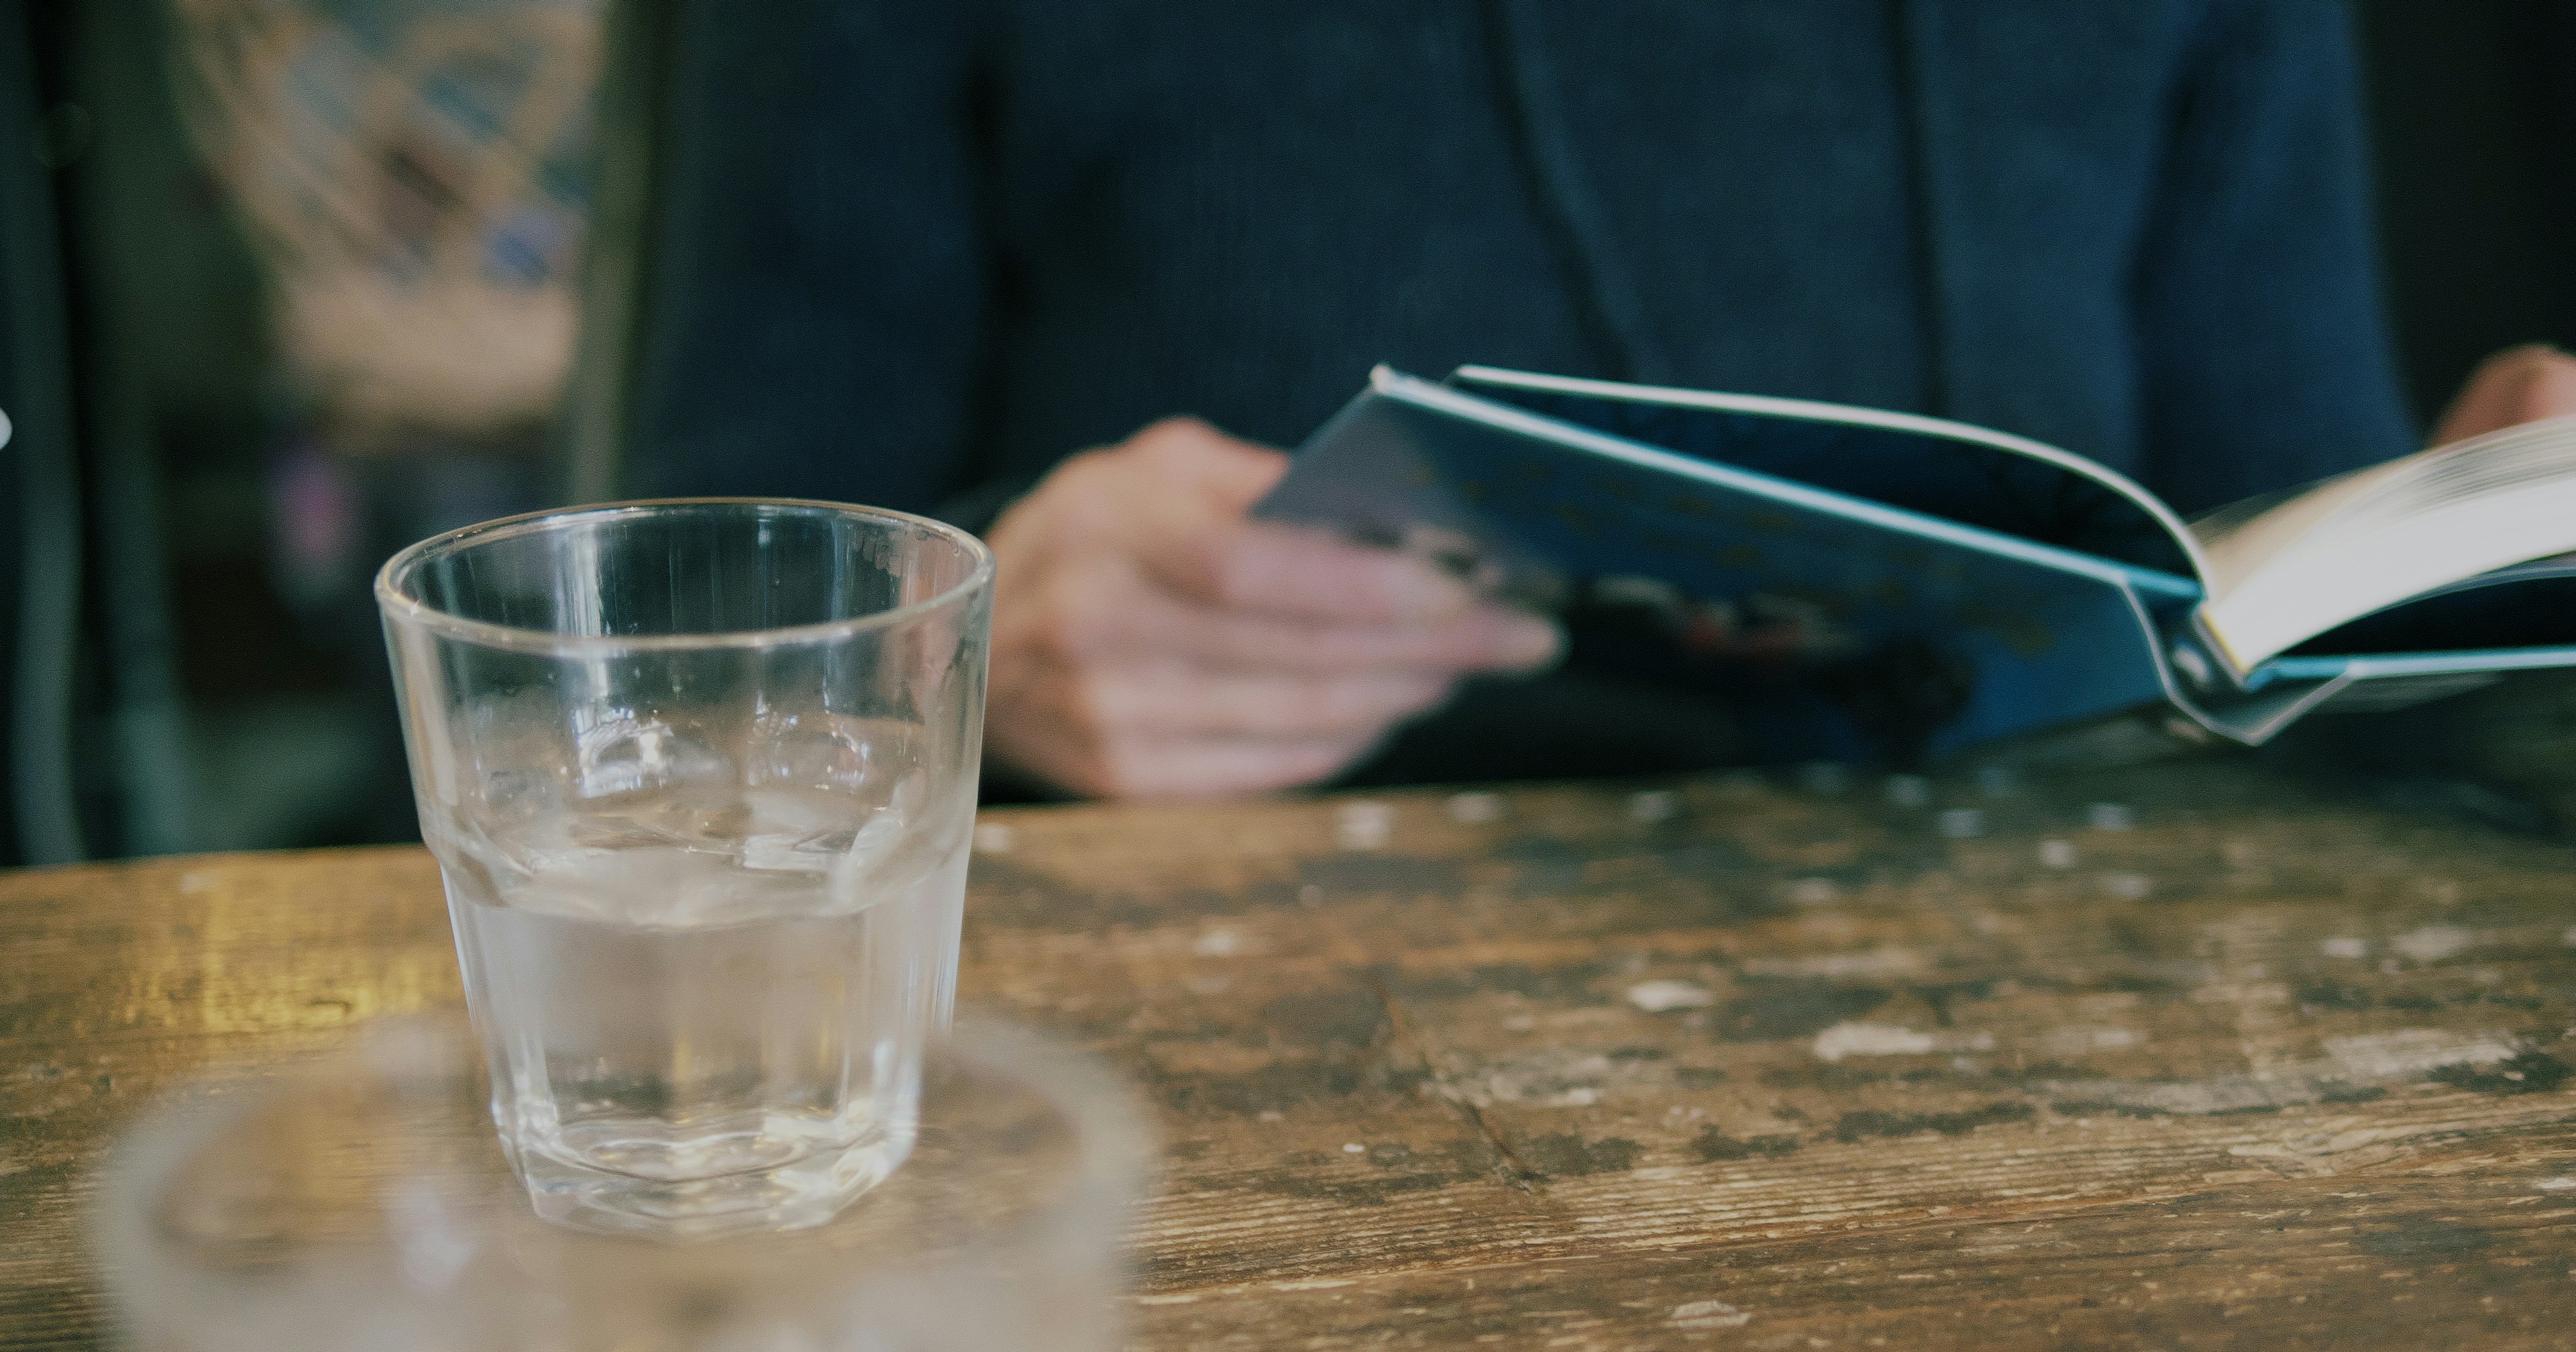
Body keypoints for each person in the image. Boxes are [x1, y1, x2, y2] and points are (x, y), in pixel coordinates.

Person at [624, 1, 2576, 799]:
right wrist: (965, 648)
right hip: (1238, 1093)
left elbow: (2258, 564)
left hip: (2070, 1055)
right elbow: (652, 638)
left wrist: (2467, 558)